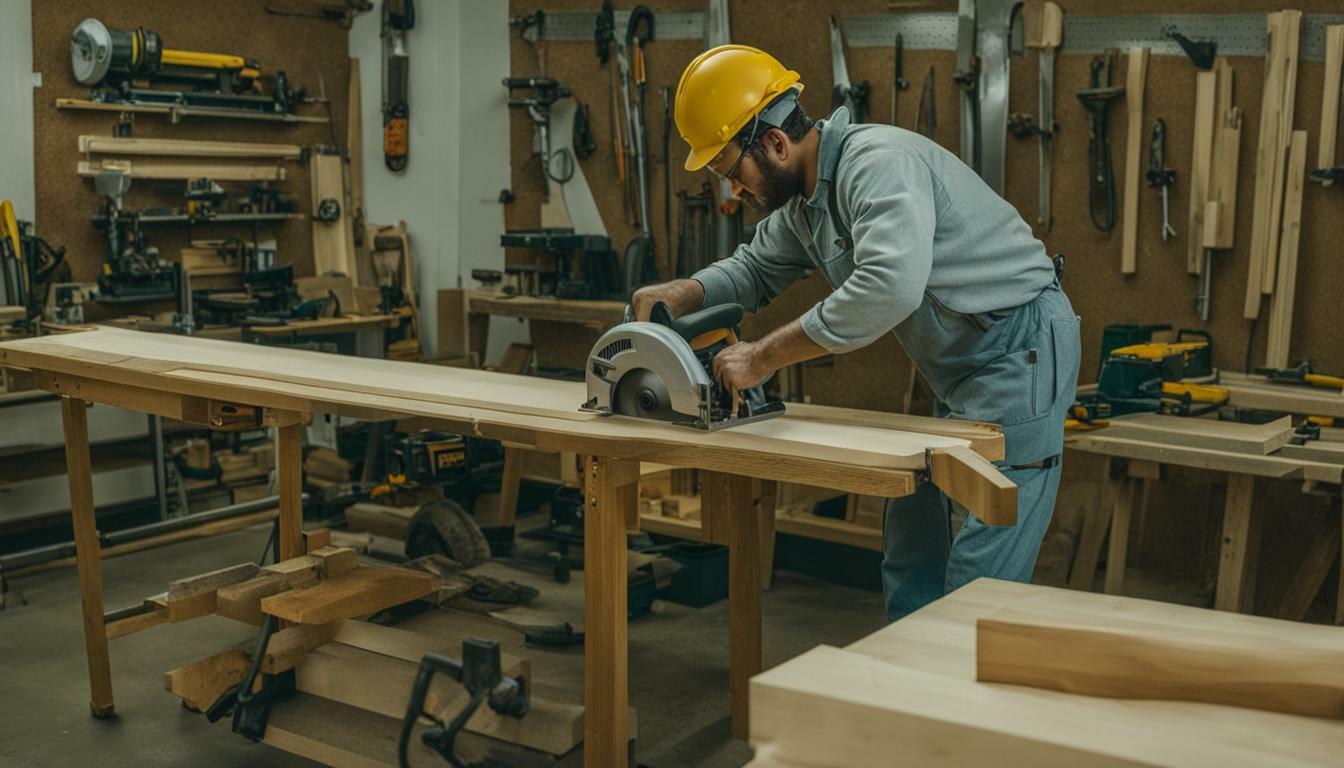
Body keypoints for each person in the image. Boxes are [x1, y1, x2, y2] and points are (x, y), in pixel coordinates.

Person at [633, 44, 1081, 620]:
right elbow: (752, 270)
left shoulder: (877, 164)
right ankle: (906, 679)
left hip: (1021, 348)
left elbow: (888, 288)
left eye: (732, 173)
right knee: (912, 535)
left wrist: (764, 356)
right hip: (965, 362)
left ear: (773, 143)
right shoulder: (808, 204)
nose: (734, 192)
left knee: (980, 577)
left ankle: (953, 697)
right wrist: (683, 291)